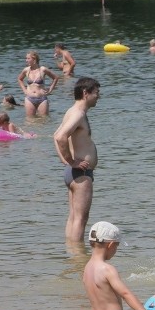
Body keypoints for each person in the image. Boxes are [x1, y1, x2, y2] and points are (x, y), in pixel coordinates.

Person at [53, 77, 100, 243]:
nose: (98, 96)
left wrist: (66, 162)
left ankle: (72, 255)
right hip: (80, 174)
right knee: (80, 219)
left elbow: (55, 136)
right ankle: (78, 259)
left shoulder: (71, 111)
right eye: (96, 93)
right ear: (85, 93)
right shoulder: (78, 114)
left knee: (73, 218)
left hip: (73, 173)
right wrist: (71, 161)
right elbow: (60, 137)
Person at [17, 51, 59, 117]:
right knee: (30, 120)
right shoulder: (26, 70)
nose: (26, 60)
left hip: (42, 99)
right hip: (29, 99)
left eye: (28, 58)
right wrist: (24, 90)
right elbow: (19, 79)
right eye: (26, 58)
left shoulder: (43, 69)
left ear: (34, 59)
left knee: (44, 120)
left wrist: (50, 90)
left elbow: (55, 78)